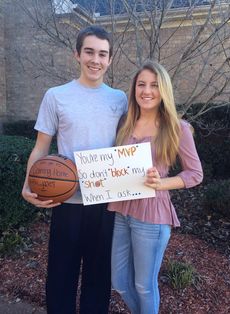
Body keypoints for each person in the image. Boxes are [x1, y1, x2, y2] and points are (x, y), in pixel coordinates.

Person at [22, 25, 127, 314]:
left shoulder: (120, 99)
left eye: (102, 54)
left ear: (110, 59)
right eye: (90, 52)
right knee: (60, 276)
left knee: (98, 277)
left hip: (105, 203)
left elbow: (131, 146)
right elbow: (41, 147)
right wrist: (27, 184)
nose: (96, 59)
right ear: (77, 55)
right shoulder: (56, 96)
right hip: (65, 200)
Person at [108, 60, 203, 314]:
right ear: (134, 89)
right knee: (119, 282)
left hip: (152, 216)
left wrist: (161, 183)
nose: (146, 91)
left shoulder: (177, 128)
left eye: (154, 85)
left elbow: (195, 174)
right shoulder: (125, 123)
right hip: (121, 211)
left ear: (164, 91)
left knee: (144, 286)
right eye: (141, 84)